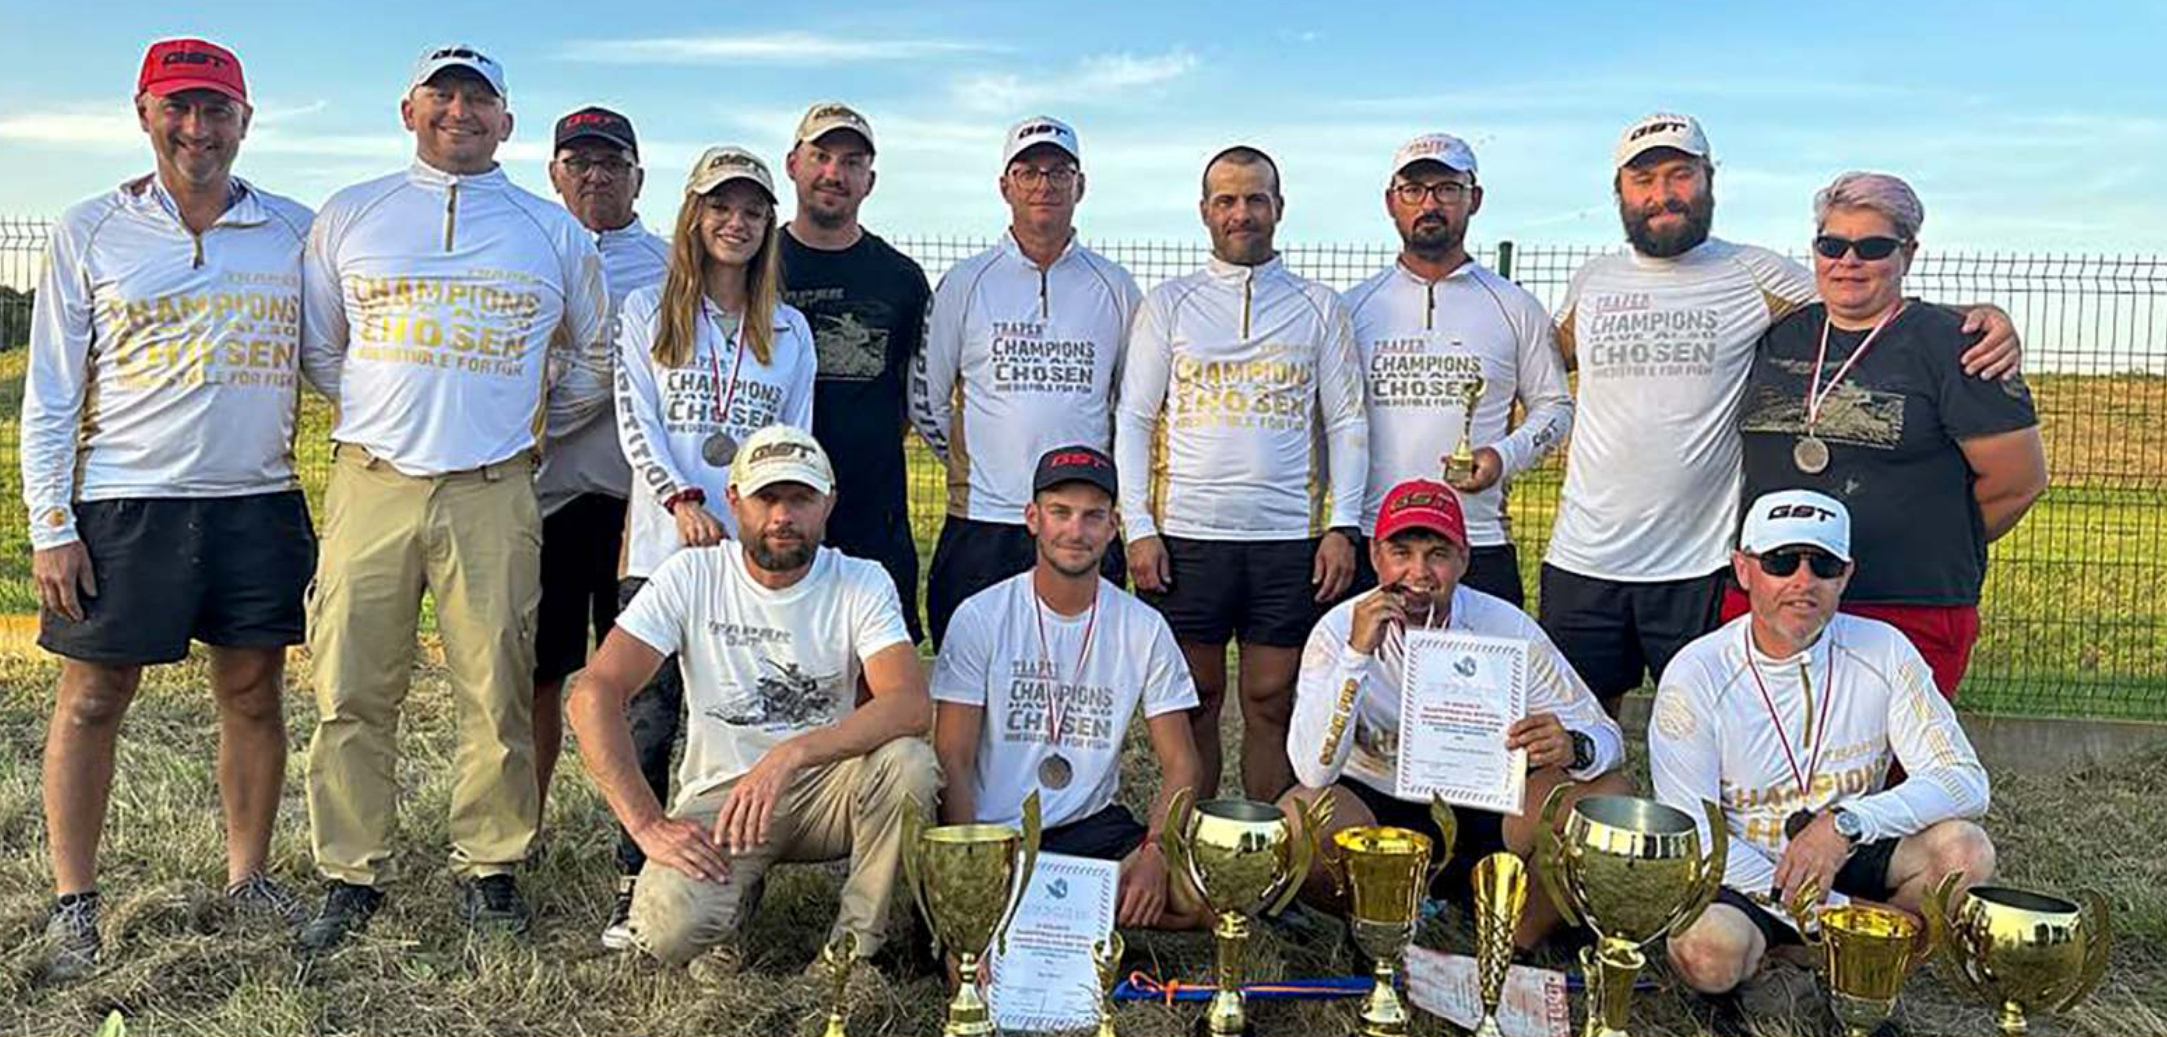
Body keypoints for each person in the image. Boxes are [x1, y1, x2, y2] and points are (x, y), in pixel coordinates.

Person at [1542, 113, 2023, 715]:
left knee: (1716, 730)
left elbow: (1863, 297)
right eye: (1643, 180)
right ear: (1619, 191)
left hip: (1701, 565)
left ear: (1709, 179)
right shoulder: (1591, 282)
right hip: (1584, 558)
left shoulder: (1756, 273)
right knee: (1574, 730)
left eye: (1680, 175)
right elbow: (1534, 360)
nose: (1662, 194)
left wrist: (1979, 318)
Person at [295, 43, 609, 951]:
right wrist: (384, 417)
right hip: (374, 480)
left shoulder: (551, 231)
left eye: (478, 99)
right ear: (409, 110)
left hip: (494, 486)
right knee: (351, 682)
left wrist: (523, 422)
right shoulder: (352, 215)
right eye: (442, 95)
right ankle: (350, 871)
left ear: (506, 122)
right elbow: (323, 349)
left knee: (496, 683)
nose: (459, 113)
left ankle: (490, 865)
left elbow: (592, 356)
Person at [21, 37, 317, 981]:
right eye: (178, 107)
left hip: (256, 498)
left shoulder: (294, 230)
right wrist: (51, 524)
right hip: (125, 501)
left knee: (253, 693)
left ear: (245, 120)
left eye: (216, 109)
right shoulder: (92, 228)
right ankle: (75, 901)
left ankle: (249, 877)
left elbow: (337, 360)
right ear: (144, 113)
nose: (198, 128)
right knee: (92, 699)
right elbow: (52, 391)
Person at [566, 425, 940, 969]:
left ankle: (853, 951)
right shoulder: (691, 575)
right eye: (767, 498)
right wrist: (647, 826)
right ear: (734, 500)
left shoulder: (862, 581)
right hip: (724, 797)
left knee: (910, 764)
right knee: (666, 933)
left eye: (801, 498)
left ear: (829, 503)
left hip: (827, 790)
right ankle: (733, 906)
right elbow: (593, 694)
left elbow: (909, 704)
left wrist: (791, 754)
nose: (782, 516)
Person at [1654, 490, 1996, 997]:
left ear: (1846, 575)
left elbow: (1965, 782)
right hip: (1745, 870)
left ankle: (1847, 969)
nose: (1803, 581)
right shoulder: (1696, 673)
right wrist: (1842, 915)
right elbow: (1696, 841)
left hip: (1849, 854)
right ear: (1744, 569)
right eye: (1780, 562)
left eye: (1824, 565)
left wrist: (1846, 824)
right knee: (1707, 951)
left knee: (1966, 850)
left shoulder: (1885, 649)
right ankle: (1844, 948)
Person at [602, 144, 816, 948]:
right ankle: (633, 876)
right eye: (721, 207)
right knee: (649, 717)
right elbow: (636, 421)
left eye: (753, 211)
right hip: (664, 546)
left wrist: (766, 525)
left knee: (728, 716)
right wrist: (681, 499)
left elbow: (793, 442)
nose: (737, 223)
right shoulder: (647, 310)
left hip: (745, 557)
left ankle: (732, 873)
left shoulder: (789, 330)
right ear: (694, 216)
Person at [1115, 145, 1368, 803]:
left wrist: (1341, 525)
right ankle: (1194, 841)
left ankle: (1266, 842)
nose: (1241, 213)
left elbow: (1346, 421)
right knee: (1194, 698)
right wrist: (1138, 527)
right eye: (1225, 200)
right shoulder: (1169, 304)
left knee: (1272, 698)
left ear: (1279, 208)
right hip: (1187, 536)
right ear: (1204, 210)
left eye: (1256, 198)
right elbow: (1134, 418)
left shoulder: (1319, 306)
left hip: (1286, 538)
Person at [1733, 172, 2046, 699]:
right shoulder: (1778, 333)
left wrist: (1925, 538)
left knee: (1887, 749)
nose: (1848, 261)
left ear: (1908, 252)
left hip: (1904, 604)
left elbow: (2017, 482)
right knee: (1769, 745)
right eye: (1832, 245)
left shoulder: (1960, 347)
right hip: (1775, 594)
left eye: (1873, 247)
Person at [1279, 480, 1630, 948]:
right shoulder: (1337, 630)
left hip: (1486, 808)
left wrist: (1574, 746)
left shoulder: (1506, 626)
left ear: (1464, 559)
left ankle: (1510, 947)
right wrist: (1357, 655)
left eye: (1437, 554)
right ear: (1375, 557)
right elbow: (1312, 769)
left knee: (1608, 796)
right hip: (1376, 811)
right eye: (1401, 553)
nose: (1418, 572)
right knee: (1298, 822)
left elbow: (1608, 740)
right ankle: (1383, 928)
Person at [931, 445, 1205, 930]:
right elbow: (952, 755)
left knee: (1198, 899)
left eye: (1092, 516)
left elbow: (1182, 762)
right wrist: (971, 859)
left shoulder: (1143, 626)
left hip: (1089, 828)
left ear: (1114, 526)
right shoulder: (981, 616)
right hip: (996, 830)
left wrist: (1156, 853)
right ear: (1033, 518)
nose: (1076, 531)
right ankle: (1070, 910)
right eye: (1060, 512)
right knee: (958, 922)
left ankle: (1065, 906)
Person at [912, 116, 1141, 647]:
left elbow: (1130, 407)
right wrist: (974, 465)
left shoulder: (1115, 287)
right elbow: (927, 398)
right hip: (984, 520)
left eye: (1059, 172)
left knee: (1082, 669)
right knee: (970, 670)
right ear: (1005, 185)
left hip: (1080, 523)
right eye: (1028, 172)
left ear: (1080, 185)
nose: (1044, 185)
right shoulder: (965, 282)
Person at [1342, 133, 1572, 607]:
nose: (1430, 204)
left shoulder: (1514, 306)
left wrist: (1502, 457)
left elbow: (1555, 407)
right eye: (1413, 190)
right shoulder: (1352, 309)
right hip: (1375, 539)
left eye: (1447, 189)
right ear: (1391, 202)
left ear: (1475, 198)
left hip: (1476, 540)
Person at [532, 104, 668, 816]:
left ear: (638, 177)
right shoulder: (529, 250)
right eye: (579, 162)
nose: (596, 176)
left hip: (639, 509)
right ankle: (521, 824)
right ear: (554, 173)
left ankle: (639, 834)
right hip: (546, 495)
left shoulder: (672, 266)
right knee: (538, 672)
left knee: (645, 680)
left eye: (612, 163)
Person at [779, 102, 931, 644]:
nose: (834, 173)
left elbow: (914, 394)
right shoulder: (755, 265)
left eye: (851, 162)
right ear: (793, 164)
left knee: (875, 666)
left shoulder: (901, 279)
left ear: (870, 179)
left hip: (872, 512)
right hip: (778, 506)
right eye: (821, 156)